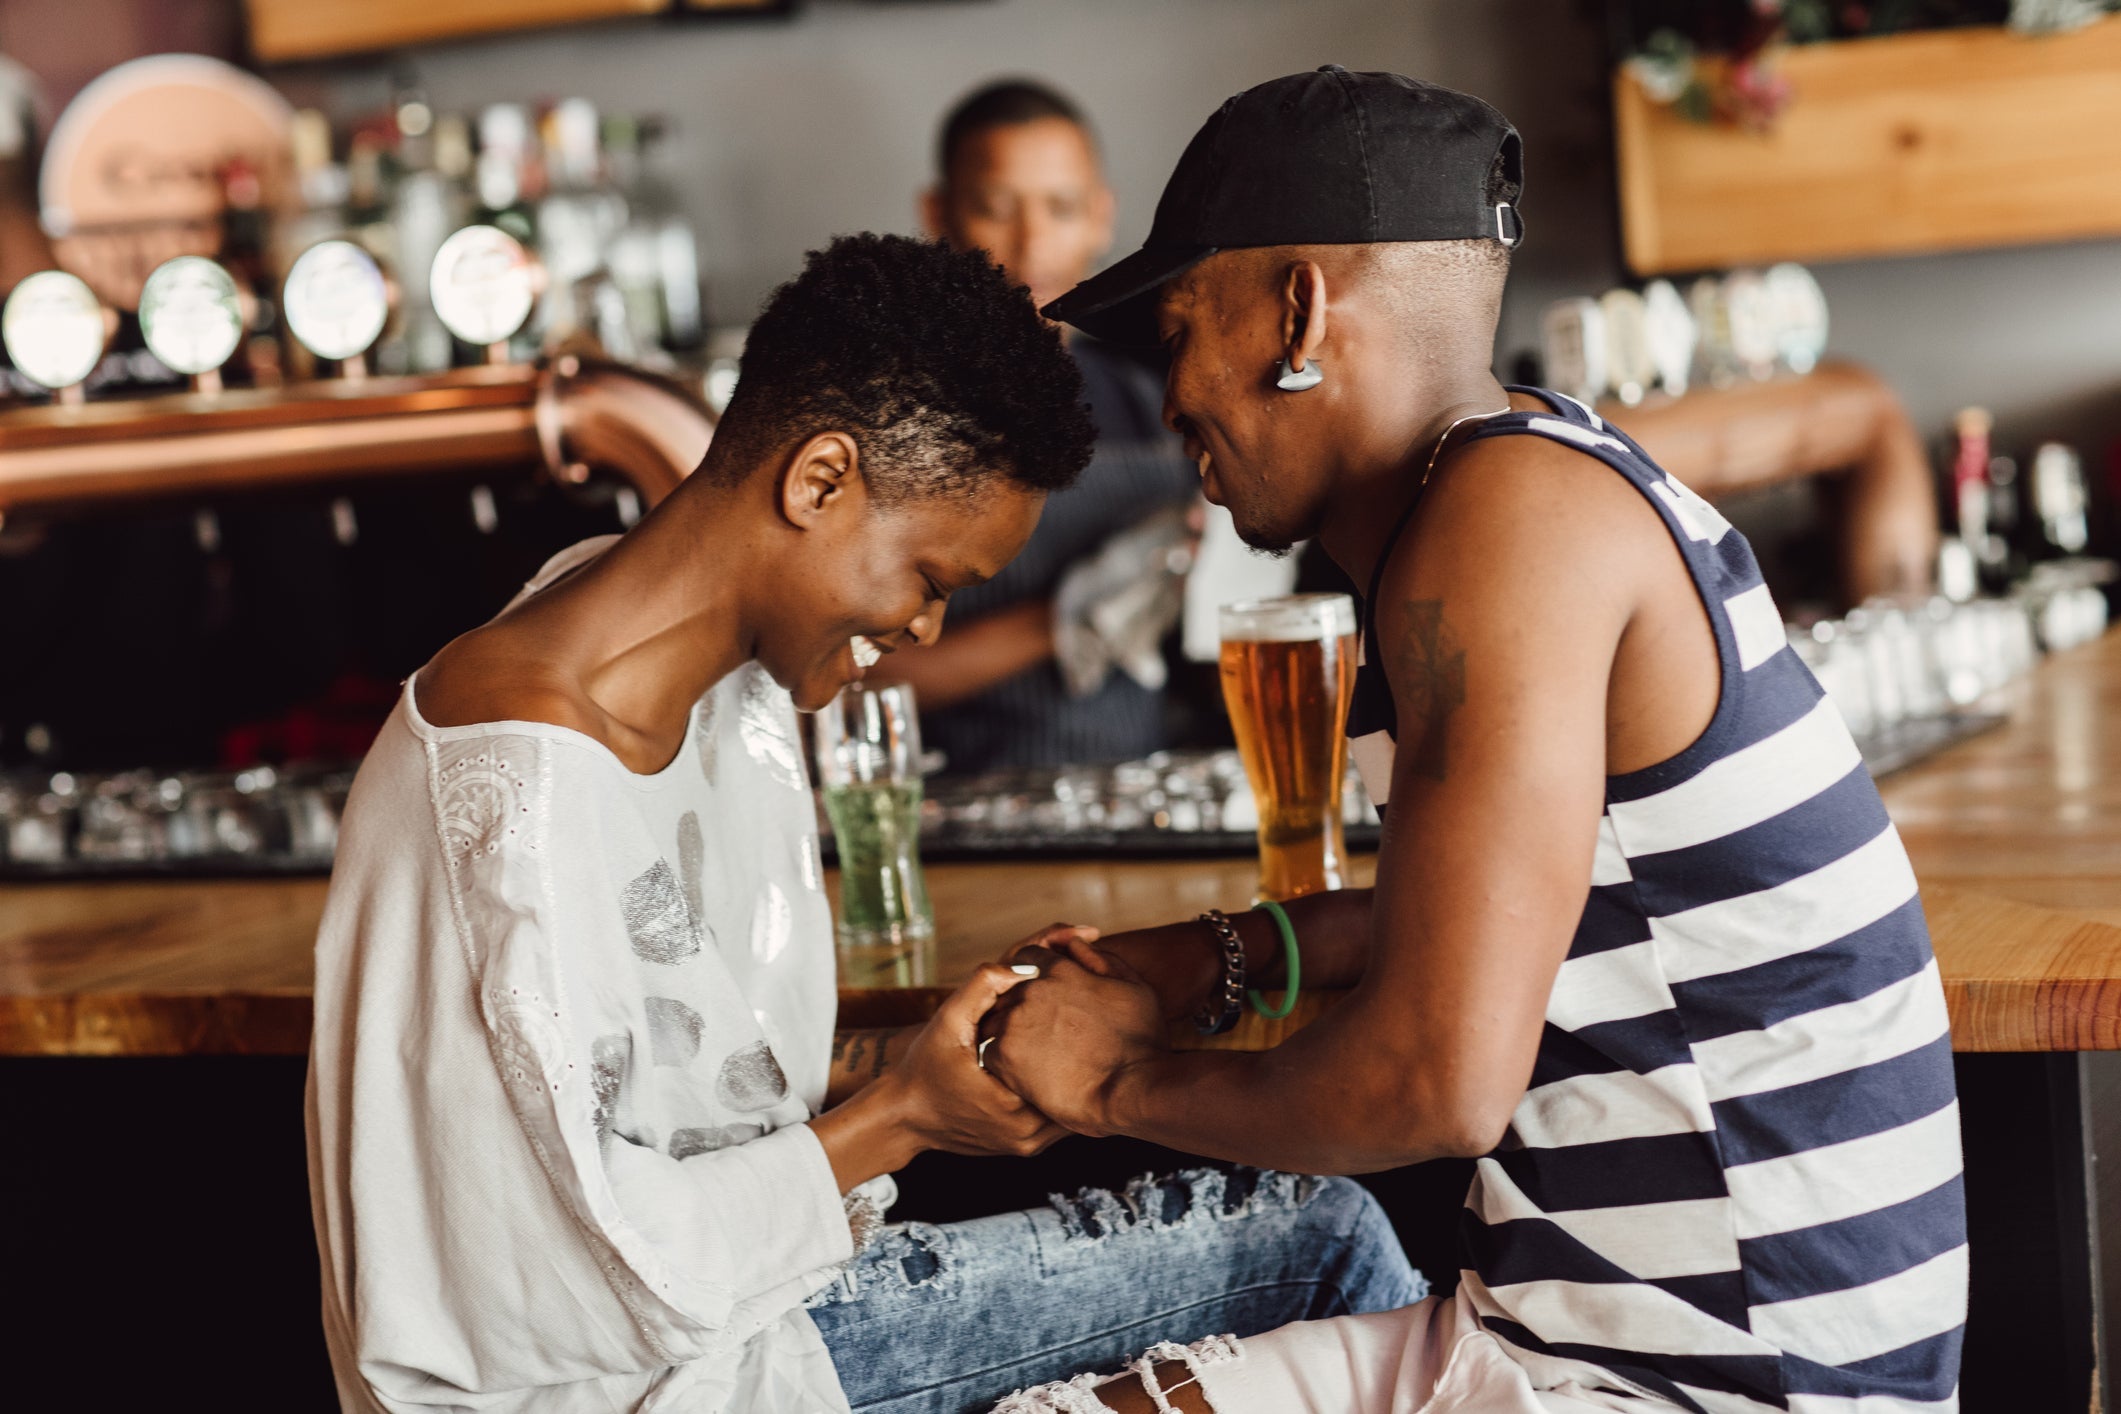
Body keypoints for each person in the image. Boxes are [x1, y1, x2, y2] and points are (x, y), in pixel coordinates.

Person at [983, 69, 1966, 1414]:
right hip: (1563, 1328)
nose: (1170, 401)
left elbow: (1432, 1077)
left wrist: (1108, 1079)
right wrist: (1208, 956)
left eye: (1178, 328)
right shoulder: (1516, 480)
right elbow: (1517, 911)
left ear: (1299, 312)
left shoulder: (1502, 527)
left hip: (1720, 1379)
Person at [305, 232, 1419, 1414]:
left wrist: (932, 1057)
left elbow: (678, 1090)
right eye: (932, 580)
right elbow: (534, 1285)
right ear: (821, 479)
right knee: (1322, 1244)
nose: (929, 631)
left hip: (753, 1316)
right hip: (648, 1388)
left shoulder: (705, 666)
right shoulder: (509, 800)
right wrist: (901, 1116)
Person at [869, 79, 1199, 772]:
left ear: (1101, 216)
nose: (1032, 242)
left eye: (1061, 207)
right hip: (958, 812)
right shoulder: (891, 423)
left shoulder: (1155, 404)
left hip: (1138, 798)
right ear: (937, 214)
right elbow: (847, 684)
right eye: (995, 208)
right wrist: (1062, 622)